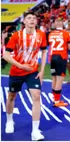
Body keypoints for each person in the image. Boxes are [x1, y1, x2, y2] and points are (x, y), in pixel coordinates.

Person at [2, 12, 47, 141]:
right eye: (29, 18)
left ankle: (35, 131)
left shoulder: (41, 35)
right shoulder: (16, 36)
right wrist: (20, 66)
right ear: (24, 22)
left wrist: (42, 70)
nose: (32, 20)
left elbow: (44, 52)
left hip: (32, 71)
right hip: (17, 71)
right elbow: (6, 55)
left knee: (36, 96)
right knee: (11, 96)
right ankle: (9, 120)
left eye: (34, 18)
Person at [48, 17, 70, 107]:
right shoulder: (66, 34)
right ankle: (57, 100)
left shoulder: (51, 34)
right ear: (62, 23)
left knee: (54, 77)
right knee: (59, 79)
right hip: (61, 57)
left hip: (52, 58)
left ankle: (54, 97)